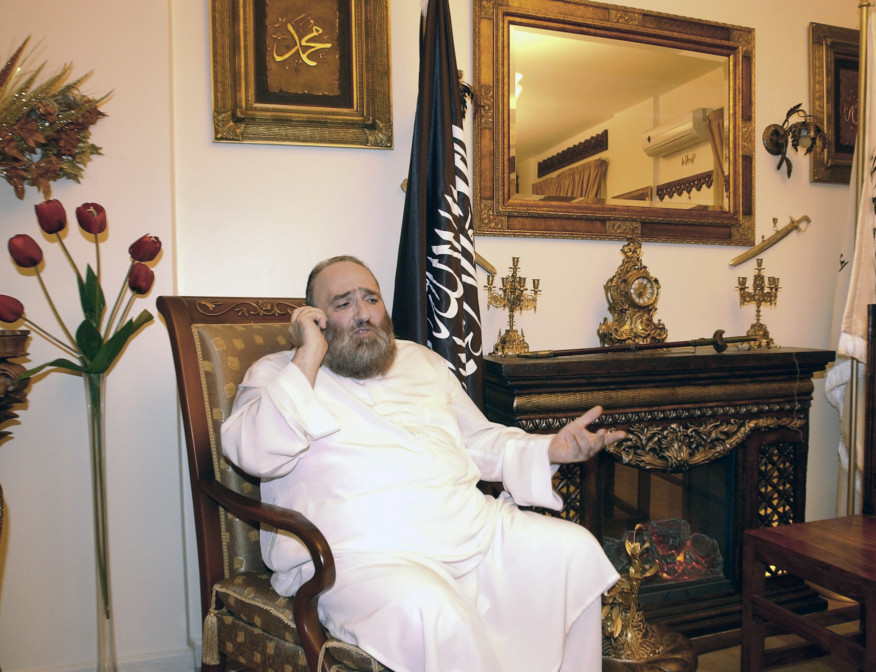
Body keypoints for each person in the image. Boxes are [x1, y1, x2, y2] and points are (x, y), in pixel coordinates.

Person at [221, 255, 628, 672]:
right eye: (343, 303)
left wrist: (549, 449)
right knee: (432, 612)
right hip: (362, 558)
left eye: (371, 299)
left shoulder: (422, 361)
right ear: (315, 319)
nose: (363, 314)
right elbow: (252, 453)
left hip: (469, 532)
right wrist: (307, 355)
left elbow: (478, 440)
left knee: (572, 550)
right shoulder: (278, 375)